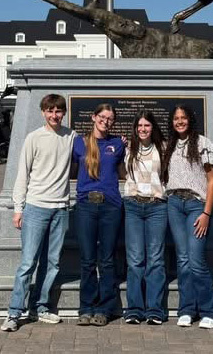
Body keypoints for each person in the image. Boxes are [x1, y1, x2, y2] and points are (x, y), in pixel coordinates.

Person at [1, 94, 75, 333]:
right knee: (28, 263)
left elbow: (94, 147)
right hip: (35, 208)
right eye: (50, 111)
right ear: (43, 112)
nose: (54, 115)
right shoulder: (33, 138)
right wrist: (18, 208)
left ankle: (40, 307)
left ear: (63, 113)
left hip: (61, 208)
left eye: (58, 111)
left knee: (52, 263)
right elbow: (21, 175)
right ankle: (14, 313)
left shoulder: (71, 136)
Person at [164, 104, 213, 329]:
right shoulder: (168, 145)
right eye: (176, 118)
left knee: (196, 261)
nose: (180, 121)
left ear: (190, 120)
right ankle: (187, 309)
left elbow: (212, 180)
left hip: (196, 205)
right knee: (183, 260)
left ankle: (211, 311)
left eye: (184, 118)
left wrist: (207, 213)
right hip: (174, 204)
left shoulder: (203, 143)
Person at [72, 103, 125, 326]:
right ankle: (86, 307)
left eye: (110, 118)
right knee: (86, 260)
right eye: (102, 116)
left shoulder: (117, 144)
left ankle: (105, 308)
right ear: (94, 117)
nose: (106, 121)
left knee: (106, 260)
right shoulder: (79, 143)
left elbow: (123, 171)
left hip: (110, 207)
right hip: (85, 206)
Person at [122, 110, 170, 325]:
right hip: (132, 206)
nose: (142, 129)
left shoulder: (164, 148)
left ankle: (154, 310)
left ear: (153, 127)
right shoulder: (128, 148)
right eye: (139, 126)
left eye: (147, 126)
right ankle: (133, 309)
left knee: (156, 259)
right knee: (134, 260)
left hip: (156, 207)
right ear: (135, 128)